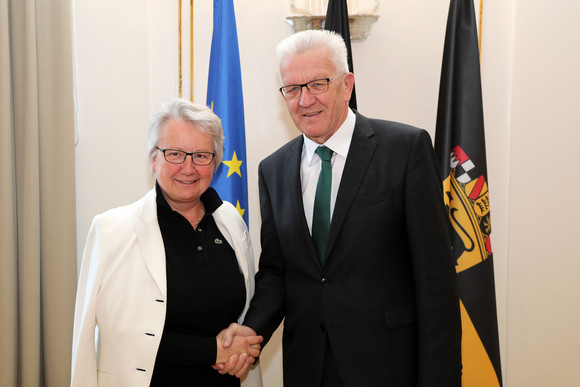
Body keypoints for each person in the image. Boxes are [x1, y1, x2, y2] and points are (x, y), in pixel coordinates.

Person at [216, 30, 462, 386]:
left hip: (389, 368)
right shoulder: (273, 170)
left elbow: (436, 280)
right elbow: (276, 274)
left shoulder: (405, 150)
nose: (304, 100)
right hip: (308, 368)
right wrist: (249, 333)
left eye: (317, 84)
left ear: (346, 85)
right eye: (292, 89)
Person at [71, 98, 263, 387]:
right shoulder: (112, 231)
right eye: (174, 154)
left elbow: (244, 311)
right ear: (153, 158)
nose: (188, 168)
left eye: (201, 156)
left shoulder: (231, 222)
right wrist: (212, 350)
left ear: (215, 163)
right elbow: (117, 335)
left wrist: (241, 348)